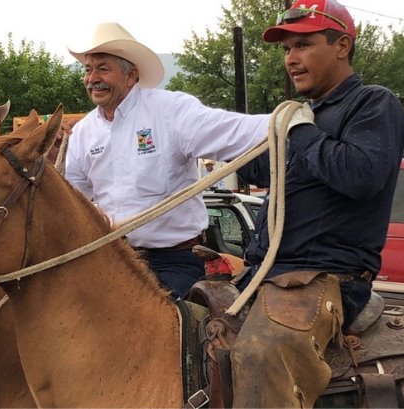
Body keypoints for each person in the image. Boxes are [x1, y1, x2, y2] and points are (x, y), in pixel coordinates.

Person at [231, 0, 404, 406]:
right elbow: (258, 171)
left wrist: (302, 132)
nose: (291, 59)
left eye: (303, 45)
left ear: (342, 45)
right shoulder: (302, 114)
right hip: (265, 273)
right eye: (287, 49)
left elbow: (361, 176)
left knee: (261, 356)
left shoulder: (373, 103)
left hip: (324, 278)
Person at [64, 22, 270, 298]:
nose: (92, 78)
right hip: (111, 257)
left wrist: (287, 122)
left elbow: (233, 131)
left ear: (131, 75)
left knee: (164, 327)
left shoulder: (169, 111)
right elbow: (72, 202)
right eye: (88, 70)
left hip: (174, 259)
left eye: (103, 68)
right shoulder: (83, 133)